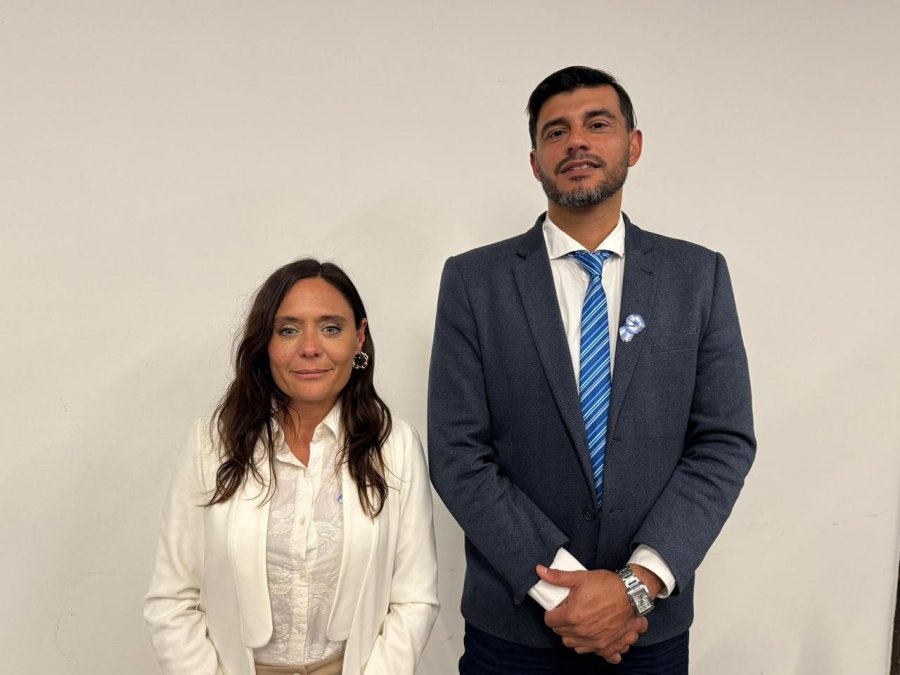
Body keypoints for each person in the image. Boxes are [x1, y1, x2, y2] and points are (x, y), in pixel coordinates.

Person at [428, 66, 755, 674]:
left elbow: (723, 443)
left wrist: (634, 586)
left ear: (633, 145)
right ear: (535, 161)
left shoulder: (697, 277)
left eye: (596, 124)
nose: (576, 141)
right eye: (556, 132)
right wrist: (567, 593)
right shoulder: (475, 282)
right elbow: (457, 453)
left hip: (646, 630)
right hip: (516, 629)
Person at [145, 258, 439, 675]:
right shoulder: (210, 444)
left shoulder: (395, 446)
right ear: (265, 344)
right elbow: (172, 598)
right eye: (288, 330)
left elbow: (414, 598)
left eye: (331, 328)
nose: (310, 347)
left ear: (359, 338)